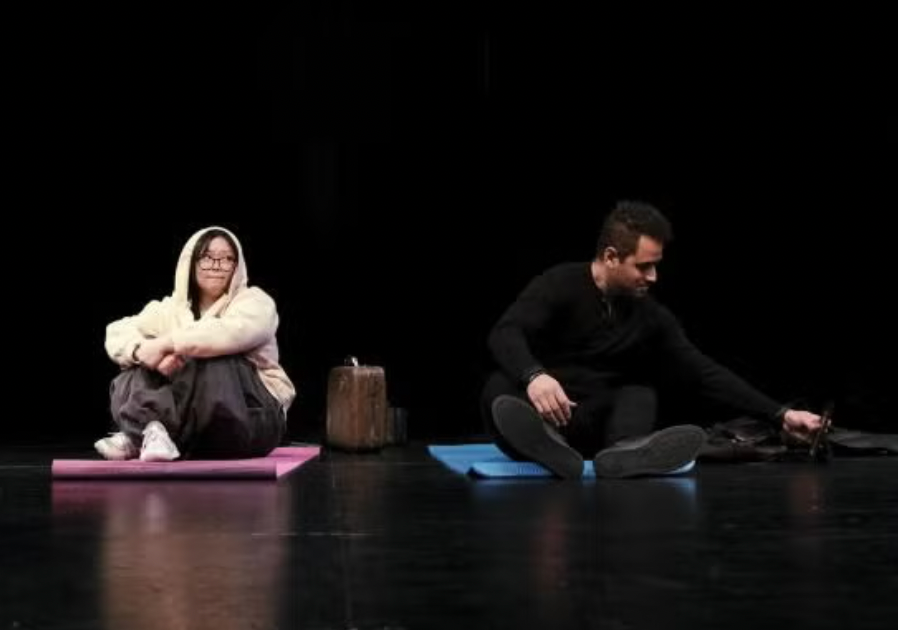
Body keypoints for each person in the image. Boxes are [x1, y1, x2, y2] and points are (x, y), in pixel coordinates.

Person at [481, 200, 823, 479]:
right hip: (543, 411)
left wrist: (780, 414)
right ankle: (547, 445)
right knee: (499, 387)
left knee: (639, 393)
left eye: (656, 266)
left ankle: (623, 454)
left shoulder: (649, 315)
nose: (653, 276)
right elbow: (505, 332)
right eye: (643, 266)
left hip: (594, 423)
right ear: (611, 257)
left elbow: (703, 372)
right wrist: (534, 375)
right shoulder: (559, 283)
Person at [96, 226, 296, 462]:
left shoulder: (256, 302)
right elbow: (117, 331)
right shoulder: (169, 309)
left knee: (209, 354)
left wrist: (166, 344)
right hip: (195, 423)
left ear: (237, 265)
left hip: (249, 415)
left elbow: (228, 333)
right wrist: (141, 351)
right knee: (133, 370)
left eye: (227, 259)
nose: (216, 266)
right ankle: (151, 433)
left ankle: (139, 435)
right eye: (207, 257)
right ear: (191, 263)